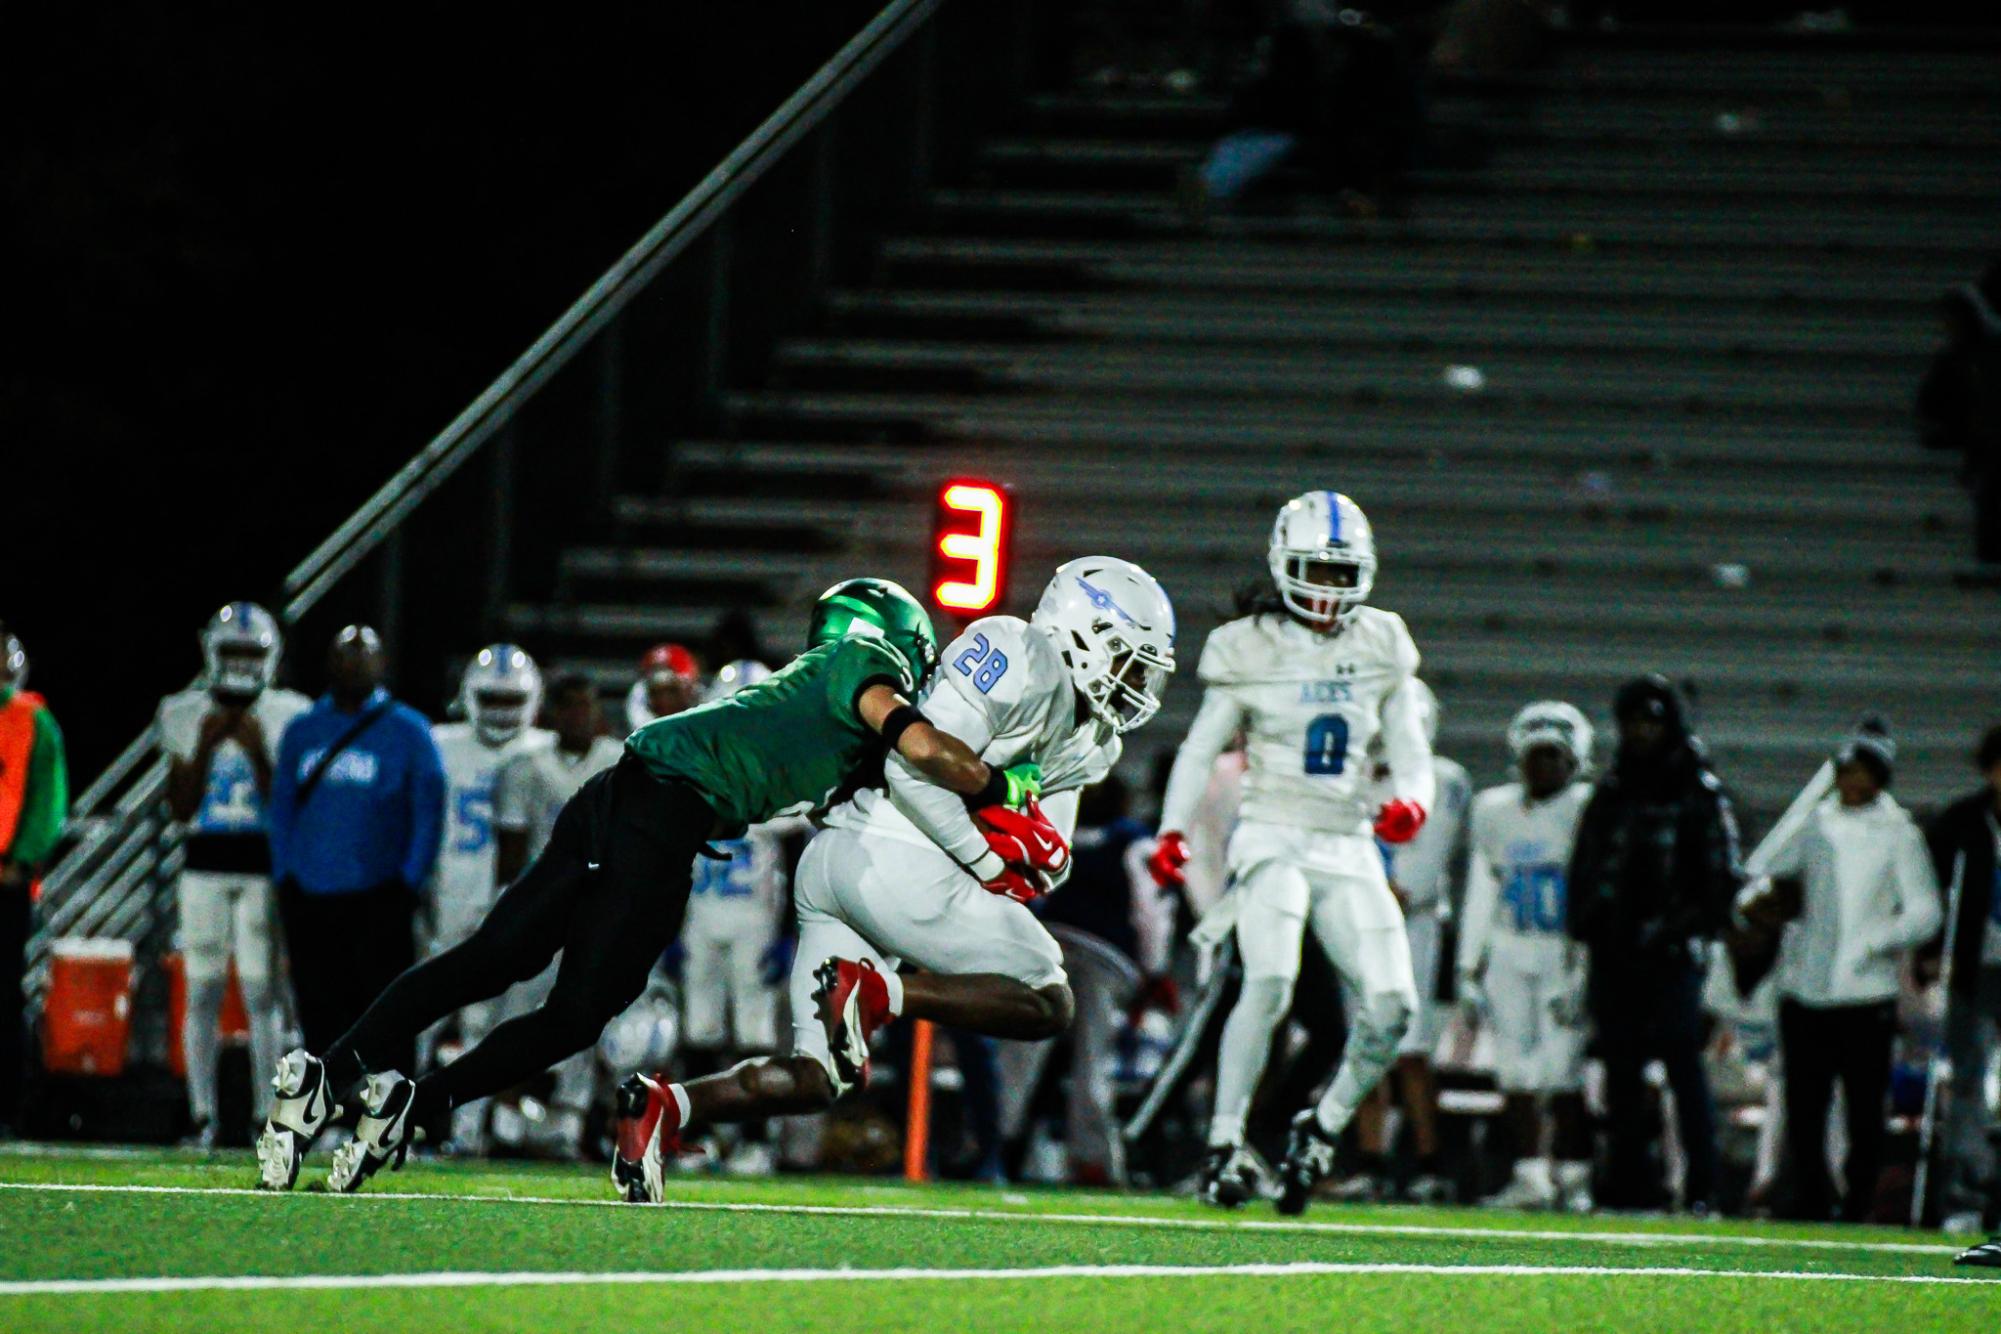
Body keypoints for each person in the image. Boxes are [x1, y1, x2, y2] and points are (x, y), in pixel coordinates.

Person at [254, 578, 1009, 1194]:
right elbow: (922, 747)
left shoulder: (828, 719)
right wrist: (998, 785)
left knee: (497, 960)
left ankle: (337, 1078)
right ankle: (408, 1098)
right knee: (574, 1010)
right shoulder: (859, 668)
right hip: (654, 815)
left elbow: (890, 796)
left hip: (627, 798)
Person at [613, 557, 1177, 1204]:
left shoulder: (1095, 739)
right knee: (1048, 998)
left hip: (841, 864)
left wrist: (1038, 862)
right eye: (1129, 662)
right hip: (892, 850)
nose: (1136, 684)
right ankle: (879, 990)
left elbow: (1048, 847)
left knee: (817, 1076)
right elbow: (912, 770)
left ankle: (663, 1107)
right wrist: (989, 859)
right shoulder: (1017, 650)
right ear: (1082, 632)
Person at [1149, 491, 1435, 1215]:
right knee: (1270, 980)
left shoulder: (1383, 641)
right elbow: (1199, 745)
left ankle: (1322, 1126)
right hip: (1271, 827)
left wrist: (1412, 800)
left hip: (1345, 837)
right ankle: (1223, 1142)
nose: (1330, 588)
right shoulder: (1249, 644)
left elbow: (1409, 744)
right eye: (1317, 570)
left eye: (1343, 574)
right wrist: (1173, 828)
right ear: (1283, 565)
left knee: (1394, 1006)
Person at [1567, 675, 1743, 1214]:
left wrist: (1676, 929)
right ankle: (1627, 1185)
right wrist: (1591, 926)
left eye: (1651, 721)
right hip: (1616, 952)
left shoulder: (1700, 794)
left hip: (1672, 956)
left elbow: (1721, 879)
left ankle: (1702, 1187)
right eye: (1633, 722)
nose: (1642, 732)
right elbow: (1586, 867)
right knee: (1620, 1074)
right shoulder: (1612, 791)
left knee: (1683, 1071)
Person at [1763, 727, 1940, 1223]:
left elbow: (1926, 910)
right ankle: (1810, 1198)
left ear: (1880, 778)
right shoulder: (1814, 823)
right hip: (1805, 988)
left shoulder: (1899, 833)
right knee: (1804, 1108)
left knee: (1865, 1109)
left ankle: (1859, 1199)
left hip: (1866, 991)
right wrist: (1806, 807)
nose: (1852, 782)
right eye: (1845, 772)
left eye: (1862, 772)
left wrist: (1875, 942)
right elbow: (1767, 868)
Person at [155, 603, 310, 1144]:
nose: (242, 663)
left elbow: (287, 802)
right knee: (202, 990)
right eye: (234, 651)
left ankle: (265, 1116)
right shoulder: (183, 711)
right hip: (203, 862)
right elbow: (179, 807)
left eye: (252, 652)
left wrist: (256, 751)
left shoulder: (290, 713)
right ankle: (203, 1115)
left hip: (262, 864)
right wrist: (203, 746)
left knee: (263, 995)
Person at [265, 625, 445, 1082]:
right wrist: (285, 873)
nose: (354, 666)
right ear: (330, 664)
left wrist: (408, 880)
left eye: (364, 658)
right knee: (319, 1009)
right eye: (346, 657)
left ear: (381, 666)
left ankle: (389, 1107)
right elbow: (282, 805)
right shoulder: (304, 730)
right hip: (311, 892)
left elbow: (428, 809)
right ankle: (329, 1107)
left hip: (379, 893)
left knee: (386, 1008)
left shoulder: (409, 730)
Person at [998, 773, 1178, 1187]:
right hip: (1105, 957)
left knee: (1019, 1058)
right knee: (1092, 1061)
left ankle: (998, 1146)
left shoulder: (1057, 831)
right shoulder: (1133, 841)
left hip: (1050, 946)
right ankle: (1092, 1158)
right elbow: (1150, 911)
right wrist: (1155, 970)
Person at [1457, 701, 1598, 1212]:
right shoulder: (1493, 808)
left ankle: (1577, 1175)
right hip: (1512, 947)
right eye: (1534, 756)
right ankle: (1532, 1175)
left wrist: (1585, 968)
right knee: (1514, 1070)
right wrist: (1468, 966)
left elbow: (1595, 893)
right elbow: (1482, 886)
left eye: (1554, 757)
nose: (1543, 767)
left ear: (1574, 760)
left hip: (1563, 948)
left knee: (1564, 1071)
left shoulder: (1587, 807)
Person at [1336, 679, 1467, 1204]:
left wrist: (1389, 887)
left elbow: (1422, 873)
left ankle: (1429, 1163)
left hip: (1414, 926)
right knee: (1364, 1044)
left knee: (1411, 1052)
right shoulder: (1358, 777)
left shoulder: (1442, 778)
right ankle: (1370, 1162)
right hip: (1361, 920)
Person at [486, 670, 625, 1158]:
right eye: (570, 706)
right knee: (515, 1013)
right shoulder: (526, 765)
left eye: (588, 705)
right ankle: (504, 1109)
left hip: (596, 911)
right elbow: (510, 851)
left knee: (584, 1014)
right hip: (541, 908)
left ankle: (571, 1115)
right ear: (550, 714)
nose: (580, 716)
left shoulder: (620, 762)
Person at [423, 644, 550, 1151]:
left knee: (485, 1018)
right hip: (450, 891)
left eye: (509, 700)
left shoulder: (546, 749)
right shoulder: (439, 744)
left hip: (514, 897)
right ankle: (397, 1110)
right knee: (425, 1011)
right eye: (490, 699)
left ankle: (467, 1124)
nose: (499, 711)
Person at [676, 659, 796, 1176]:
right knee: (698, 1030)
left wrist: (789, 931)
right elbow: (674, 853)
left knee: (755, 1034)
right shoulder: (697, 763)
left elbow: (794, 857)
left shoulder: (786, 772)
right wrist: (668, 927)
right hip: (699, 915)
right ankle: (701, 1135)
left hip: (755, 920)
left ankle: (755, 1138)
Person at [1928, 723, 2001, 1242]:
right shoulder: (1963, 820)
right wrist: (1932, 952)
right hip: (1976, 972)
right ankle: (1967, 1196)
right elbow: (1931, 889)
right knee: (1968, 1085)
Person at [0, 623, 67, 1138]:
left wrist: (21, 859)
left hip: (6, 879)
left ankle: (9, 1109)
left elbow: (48, 803)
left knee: (5, 992)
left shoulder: (32, 720)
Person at [624, 642, 700, 734]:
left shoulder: (703, 702)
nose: (665, 700)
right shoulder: (640, 693)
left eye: (672, 691)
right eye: (656, 692)